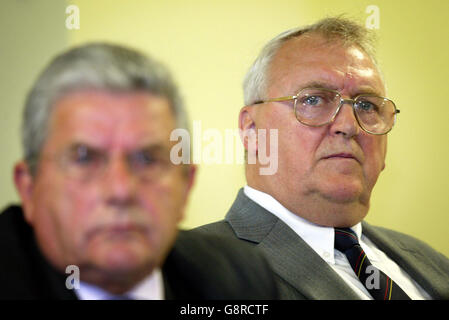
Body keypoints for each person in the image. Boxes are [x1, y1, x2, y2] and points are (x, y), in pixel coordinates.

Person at [195, 17, 449, 299]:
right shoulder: (188, 272)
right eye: (313, 100)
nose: (349, 125)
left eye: (367, 105)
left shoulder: (432, 261)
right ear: (252, 131)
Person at [0, 43, 278, 300]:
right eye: (85, 159)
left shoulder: (239, 280)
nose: (121, 190)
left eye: (147, 160)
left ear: (185, 187)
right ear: (29, 189)